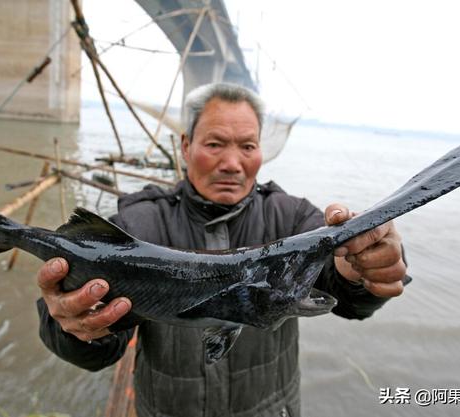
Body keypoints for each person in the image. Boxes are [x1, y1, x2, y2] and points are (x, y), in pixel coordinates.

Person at [36, 83, 409, 417]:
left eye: (247, 146)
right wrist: (72, 325)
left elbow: (345, 293)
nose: (232, 164)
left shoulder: (293, 216)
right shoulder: (138, 222)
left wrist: (362, 269)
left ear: (261, 151)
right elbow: (97, 351)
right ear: (185, 146)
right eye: (215, 144)